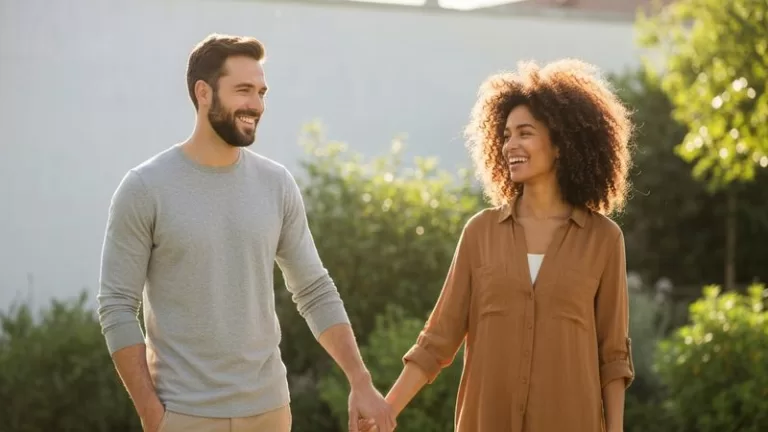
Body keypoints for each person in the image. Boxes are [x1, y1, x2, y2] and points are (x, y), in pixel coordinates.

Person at [97, 33, 395, 432]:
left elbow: (314, 289)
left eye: (261, 92)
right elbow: (117, 305)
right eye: (243, 90)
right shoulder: (145, 188)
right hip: (184, 415)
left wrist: (360, 380)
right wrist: (152, 415)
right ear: (203, 93)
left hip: (270, 412)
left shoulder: (276, 184)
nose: (256, 104)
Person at [364, 59, 636, 432]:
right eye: (506, 135)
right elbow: (437, 341)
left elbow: (614, 356)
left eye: (525, 133)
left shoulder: (603, 239)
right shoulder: (480, 233)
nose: (511, 145)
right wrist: (384, 413)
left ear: (560, 143)